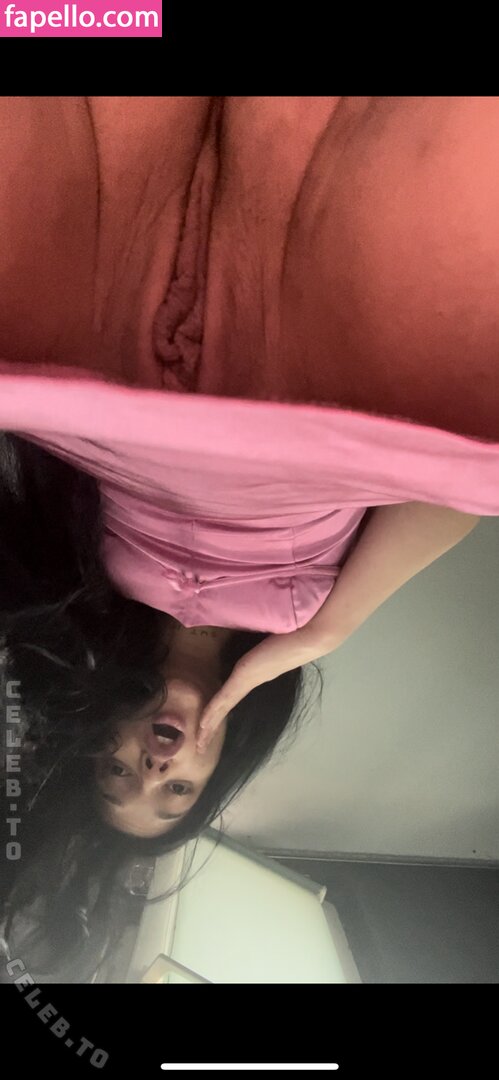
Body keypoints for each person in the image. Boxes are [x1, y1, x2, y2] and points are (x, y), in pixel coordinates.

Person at [1, 96, 498, 980]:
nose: (151, 763)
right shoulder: (301, 623)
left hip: (126, 395)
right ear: (220, 764)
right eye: (177, 788)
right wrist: (315, 634)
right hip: (311, 409)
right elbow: (447, 499)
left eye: (116, 772)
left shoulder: (80, 595)